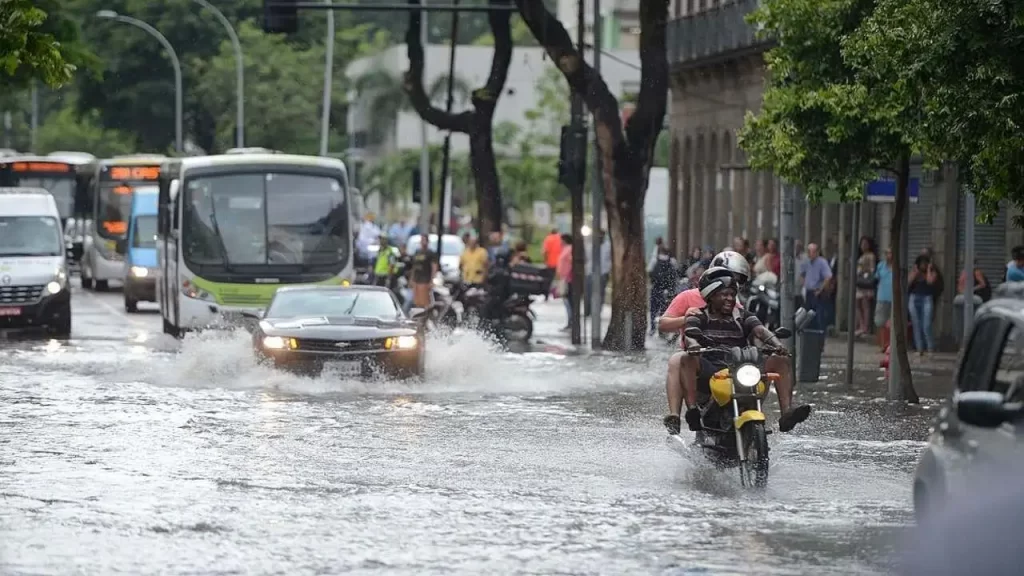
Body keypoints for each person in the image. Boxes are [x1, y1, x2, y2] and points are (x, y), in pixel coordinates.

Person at [659, 266, 810, 435]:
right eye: (724, 294)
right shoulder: (698, 315)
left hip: (741, 365)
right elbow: (689, 335)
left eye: (732, 294)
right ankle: (692, 409)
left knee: (781, 361)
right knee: (686, 358)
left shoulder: (743, 315)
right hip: (712, 369)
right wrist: (693, 345)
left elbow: (760, 331)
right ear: (711, 296)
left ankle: (787, 412)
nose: (730, 299)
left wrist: (777, 345)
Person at [908, 255, 941, 355]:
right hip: (914, 298)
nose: (923, 265)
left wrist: (929, 270)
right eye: (921, 263)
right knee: (916, 324)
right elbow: (908, 283)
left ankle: (930, 347)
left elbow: (930, 281)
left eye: (925, 263)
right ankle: (919, 348)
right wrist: (915, 273)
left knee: (926, 324)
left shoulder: (932, 272)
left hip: (927, 298)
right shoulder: (915, 271)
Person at [648, 246, 679, 334]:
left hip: (656, 288)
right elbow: (674, 276)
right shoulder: (672, 261)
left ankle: (653, 328)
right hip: (667, 289)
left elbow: (650, 273)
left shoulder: (655, 260)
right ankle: (661, 329)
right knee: (664, 310)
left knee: (653, 310)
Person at [855, 236, 878, 337]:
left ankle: (866, 328)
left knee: (865, 305)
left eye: (865, 243)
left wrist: (865, 270)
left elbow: (872, 270)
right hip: (859, 282)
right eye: (862, 244)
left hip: (866, 282)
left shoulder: (871, 256)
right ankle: (861, 325)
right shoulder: (860, 256)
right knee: (857, 304)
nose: (863, 246)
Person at [409, 234, 438, 309]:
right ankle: (418, 318)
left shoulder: (430, 253)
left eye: (424, 240)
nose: (422, 242)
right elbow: (414, 267)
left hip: (425, 280)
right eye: (421, 240)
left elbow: (434, 267)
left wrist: (432, 280)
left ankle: (424, 318)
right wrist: (411, 279)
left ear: (428, 242)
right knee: (416, 302)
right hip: (416, 279)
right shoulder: (417, 252)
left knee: (424, 302)